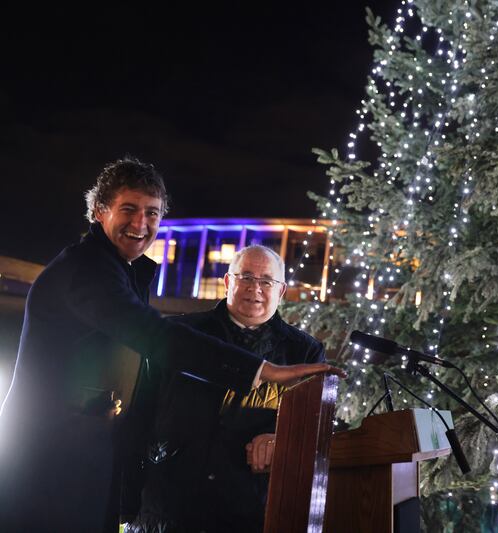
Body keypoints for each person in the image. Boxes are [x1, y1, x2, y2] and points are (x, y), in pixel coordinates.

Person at [0, 158, 342, 533]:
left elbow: (317, 434)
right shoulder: (87, 269)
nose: (140, 224)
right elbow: (153, 338)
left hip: (92, 460)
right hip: (56, 456)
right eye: (128, 209)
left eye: (152, 213)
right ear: (99, 211)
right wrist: (262, 370)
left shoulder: (121, 272)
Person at [126, 245, 323, 532]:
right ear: (228, 282)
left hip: (251, 508)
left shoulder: (304, 352)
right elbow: (141, 410)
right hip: (170, 501)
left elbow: (315, 430)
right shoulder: (180, 333)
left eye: (266, 281)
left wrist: (281, 438)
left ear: (281, 292)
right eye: (245, 277)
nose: (254, 288)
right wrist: (127, 497)